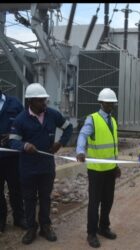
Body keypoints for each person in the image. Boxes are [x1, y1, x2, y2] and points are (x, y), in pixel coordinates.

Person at [9, 83, 73, 244]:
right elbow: (12, 142)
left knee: (45, 197)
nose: (44, 103)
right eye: (40, 100)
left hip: (46, 167)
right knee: (29, 199)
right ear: (30, 101)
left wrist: (61, 143)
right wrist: (24, 145)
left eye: (45, 100)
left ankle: (45, 226)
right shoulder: (20, 120)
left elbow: (68, 127)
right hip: (28, 168)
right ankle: (31, 228)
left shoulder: (52, 115)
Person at [76, 88, 120, 248]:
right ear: (101, 103)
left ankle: (103, 227)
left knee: (108, 201)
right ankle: (91, 233)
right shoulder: (92, 119)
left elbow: (114, 147)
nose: (111, 106)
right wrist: (80, 150)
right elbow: (82, 135)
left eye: (112, 103)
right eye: (108, 103)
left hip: (110, 169)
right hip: (96, 170)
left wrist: (116, 165)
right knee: (94, 203)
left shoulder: (113, 121)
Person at [0, 89, 27, 233]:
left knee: (16, 188)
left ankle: (19, 217)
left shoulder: (14, 104)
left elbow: (24, 123)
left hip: (12, 156)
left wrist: (11, 135)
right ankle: (1, 220)